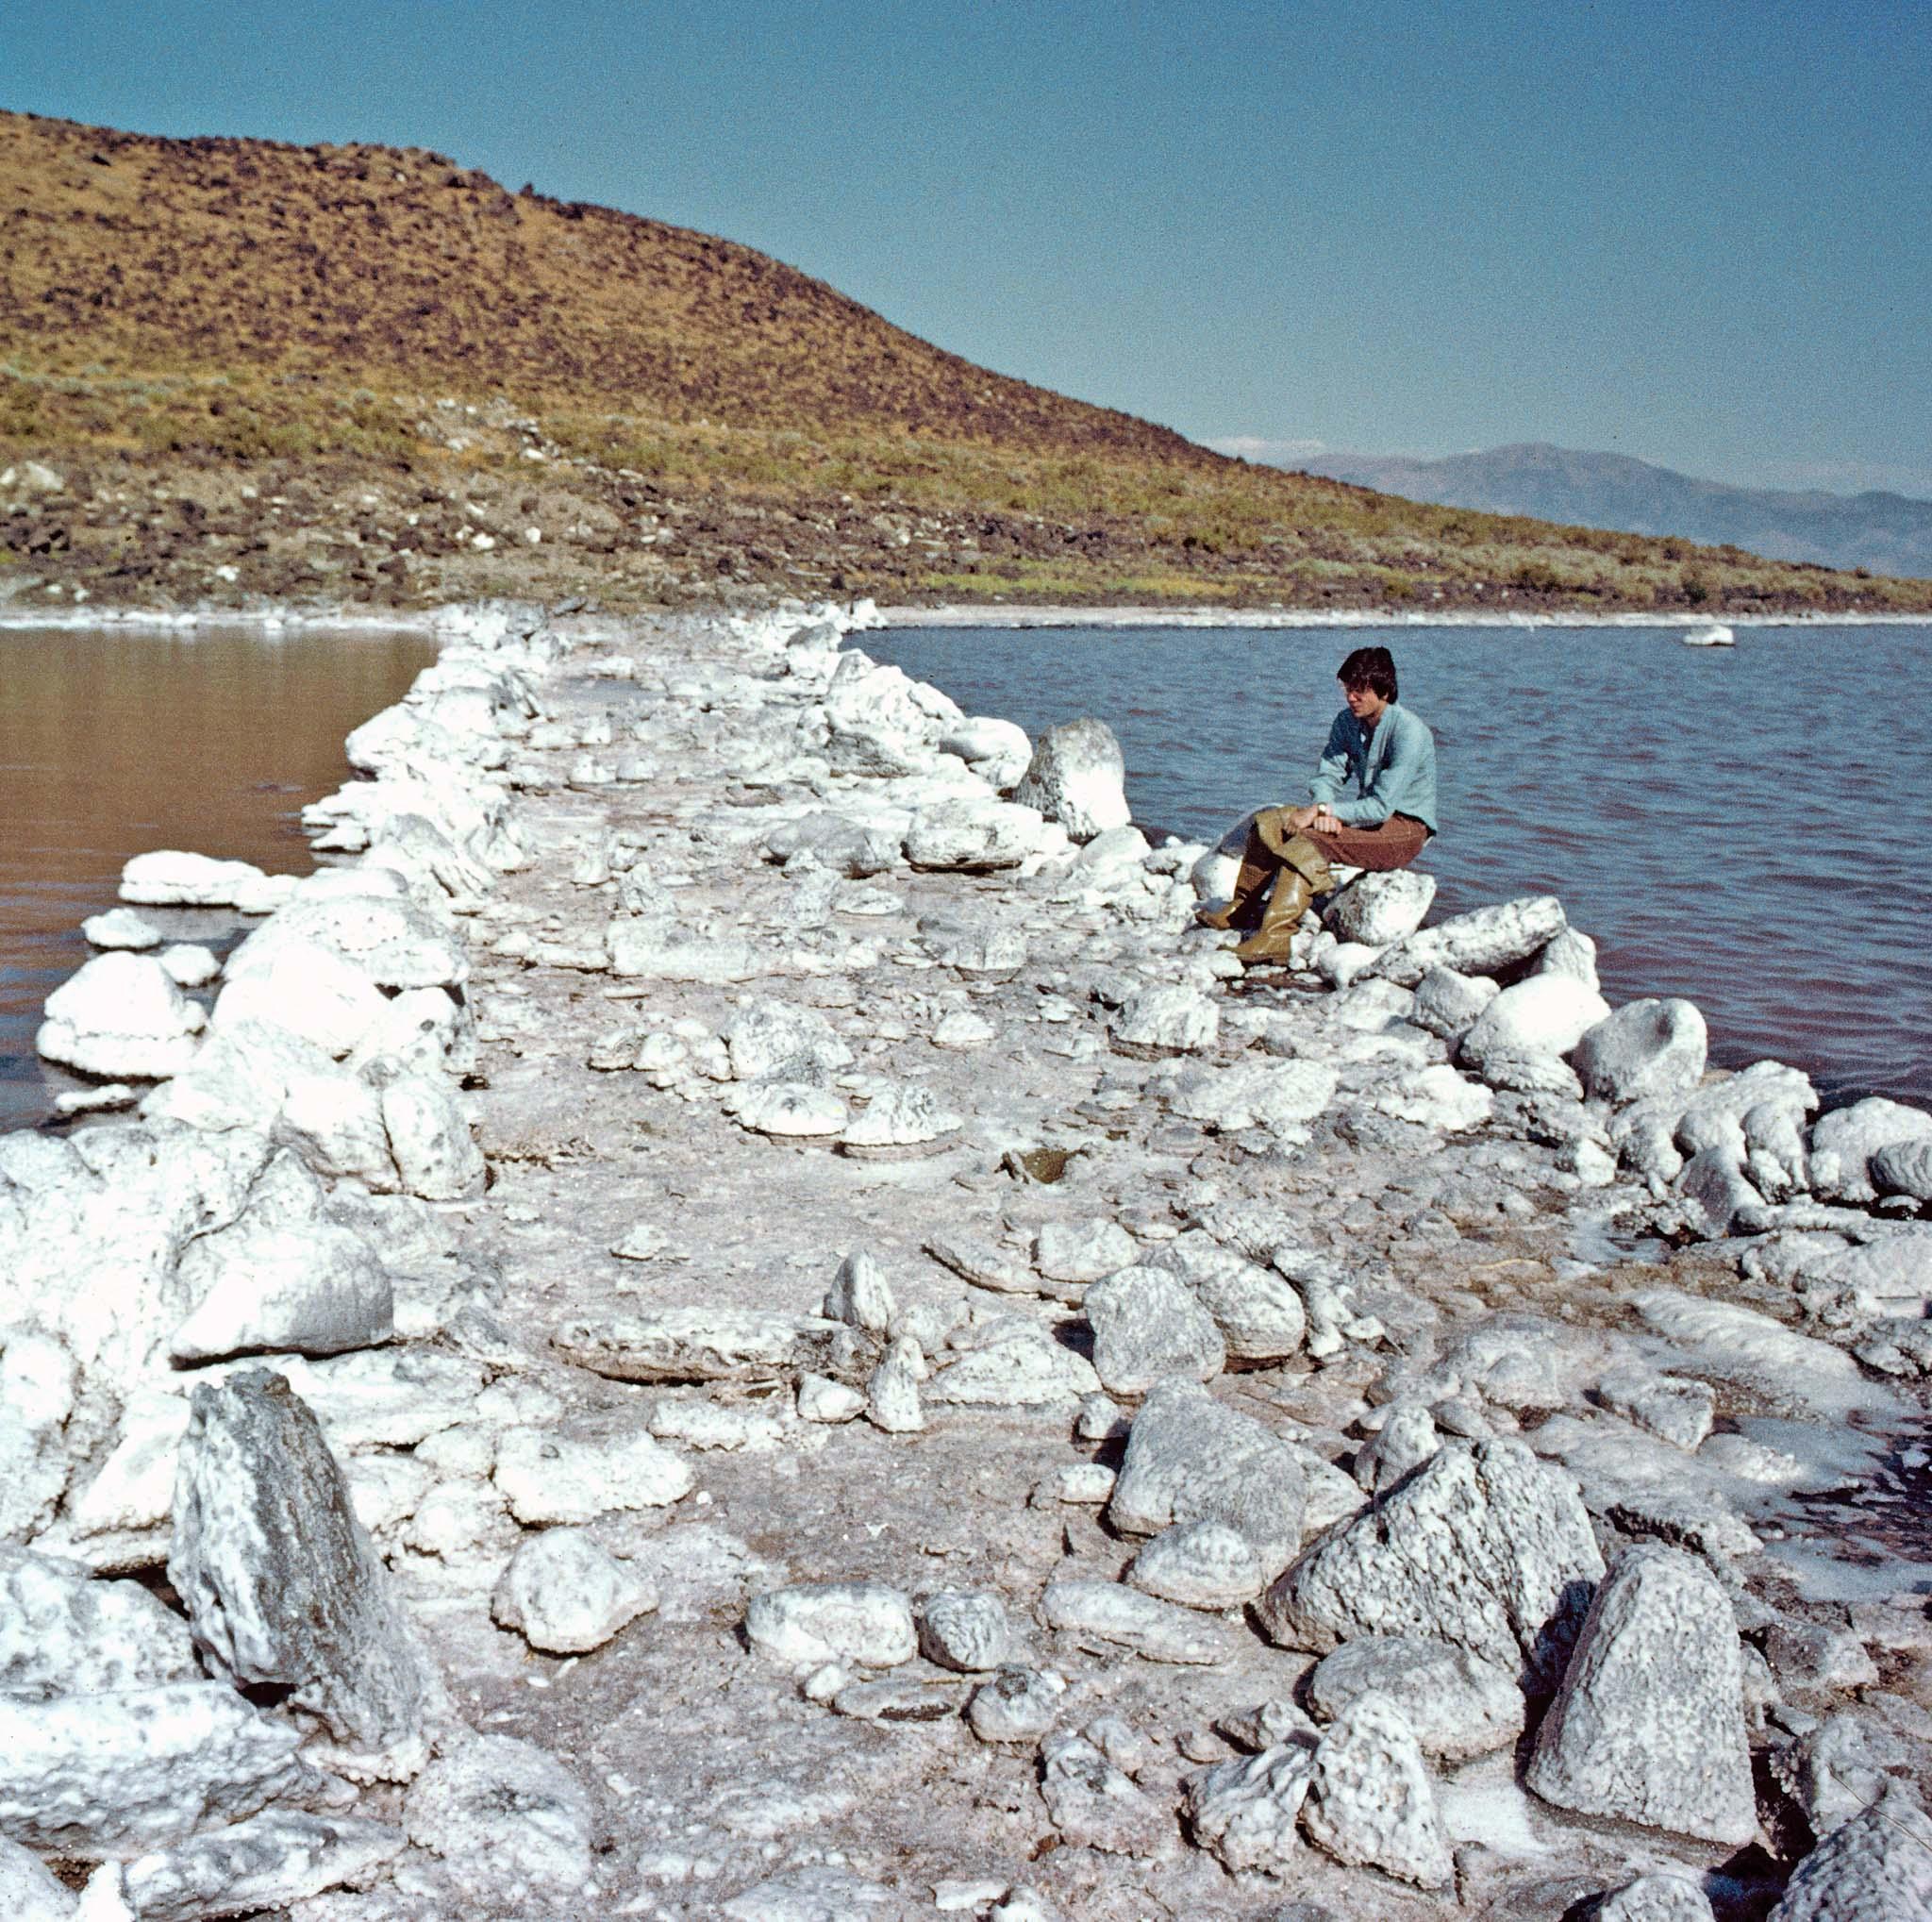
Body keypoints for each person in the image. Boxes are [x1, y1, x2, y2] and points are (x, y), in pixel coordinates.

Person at [1197, 644, 1437, 965]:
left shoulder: (1409, 732)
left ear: (1383, 691)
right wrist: (1322, 804)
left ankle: (1276, 938)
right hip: (1368, 818)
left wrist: (1327, 813)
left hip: (1404, 830)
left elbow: (1380, 807)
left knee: (1311, 840)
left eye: (1360, 690)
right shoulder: (1347, 721)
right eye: (1348, 689)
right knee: (1271, 821)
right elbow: (1330, 773)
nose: (1351, 697)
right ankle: (1240, 909)